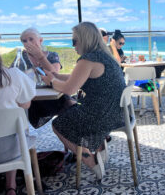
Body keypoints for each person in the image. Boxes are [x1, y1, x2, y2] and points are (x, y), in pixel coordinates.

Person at [42, 22, 126, 179]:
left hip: (102, 116)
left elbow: (69, 89)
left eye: (74, 41)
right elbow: (76, 78)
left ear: (84, 40)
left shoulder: (88, 60)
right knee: (70, 107)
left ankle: (90, 160)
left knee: (58, 124)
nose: (73, 45)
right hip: (117, 113)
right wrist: (55, 76)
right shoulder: (105, 56)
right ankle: (100, 149)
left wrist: (51, 82)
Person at [0, 22, 36, 195]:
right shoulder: (13, 75)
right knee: (15, 128)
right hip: (11, 150)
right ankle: (11, 187)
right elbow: (26, 104)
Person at [10, 28, 73, 128]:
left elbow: (55, 74)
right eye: (24, 41)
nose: (28, 43)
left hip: (51, 95)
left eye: (31, 39)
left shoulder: (52, 55)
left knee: (68, 105)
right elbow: (12, 74)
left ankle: (82, 130)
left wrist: (40, 56)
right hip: (32, 99)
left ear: (40, 40)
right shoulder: (21, 57)